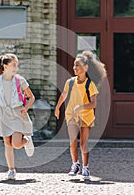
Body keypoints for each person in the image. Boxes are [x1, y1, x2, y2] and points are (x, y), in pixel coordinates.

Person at [54, 51, 106, 180]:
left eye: (77, 65)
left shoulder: (90, 84)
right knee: (72, 141)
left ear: (86, 68)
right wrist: (57, 107)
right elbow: (64, 95)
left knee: (83, 144)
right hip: (71, 114)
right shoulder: (70, 82)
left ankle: (85, 167)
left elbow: (93, 104)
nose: (74, 68)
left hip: (85, 116)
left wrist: (80, 107)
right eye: (74, 65)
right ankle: (75, 164)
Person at [0, 53, 35, 180]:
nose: (16, 68)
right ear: (5, 66)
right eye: (14, 65)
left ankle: (26, 141)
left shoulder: (20, 80)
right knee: (7, 144)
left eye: (17, 65)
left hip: (18, 114)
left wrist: (26, 108)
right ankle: (11, 170)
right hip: (3, 115)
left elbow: (31, 97)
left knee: (16, 143)